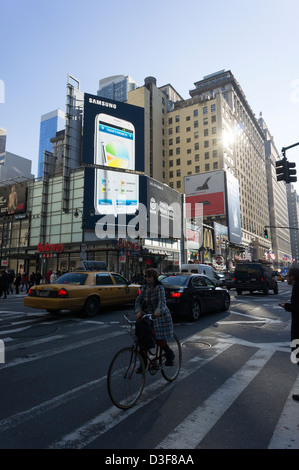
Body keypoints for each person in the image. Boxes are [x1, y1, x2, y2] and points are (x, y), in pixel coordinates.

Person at [134, 268, 174, 373]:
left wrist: (158, 311)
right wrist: (138, 311)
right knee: (141, 339)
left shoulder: (159, 287)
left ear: (154, 277)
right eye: (146, 276)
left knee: (158, 338)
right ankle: (143, 363)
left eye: (149, 276)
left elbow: (162, 301)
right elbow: (138, 301)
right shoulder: (144, 288)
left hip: (160, 316)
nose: (147, 278)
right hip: (147, 315)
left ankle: (170, 354)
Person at [280, 265, 299, 402]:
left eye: (287, 276)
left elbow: (297, 308)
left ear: (292, 277)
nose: (286, 278)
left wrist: (286, 306)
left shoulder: (297, 287)